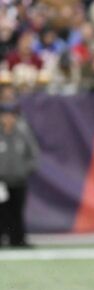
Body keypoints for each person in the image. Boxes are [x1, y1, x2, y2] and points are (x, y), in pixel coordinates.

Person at [0, 102, 39, 248]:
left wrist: (24, 170)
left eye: (11, 116)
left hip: (18, 180)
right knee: (2, 213)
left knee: (17, 211)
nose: (8, 119)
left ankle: (17, 239)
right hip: (1, 183)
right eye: (5, 115)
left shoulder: (23, 133)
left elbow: (34, 155)